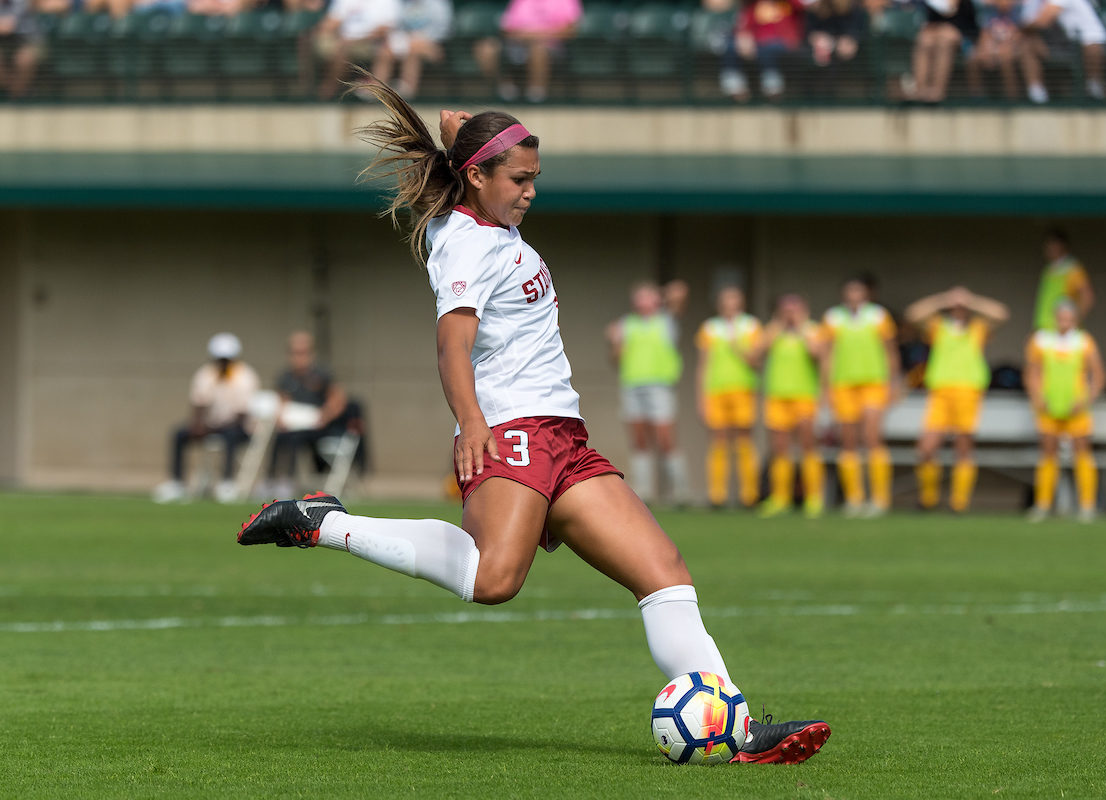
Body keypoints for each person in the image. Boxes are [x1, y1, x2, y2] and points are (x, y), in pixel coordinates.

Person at [237, 89, 831, 763]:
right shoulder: (465, 246)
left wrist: (463, 132)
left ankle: (741, 728)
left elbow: (460, 127)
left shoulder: (477, 212)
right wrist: (469, 425)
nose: (530, 193)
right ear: (477, 177)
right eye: (518, 180)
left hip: (566, 438)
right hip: (511, 429)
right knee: (494, 580)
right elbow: (451, 347)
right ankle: (325, 522)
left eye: (535, 180)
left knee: (663, 570)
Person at [905, 287, 1010, 513]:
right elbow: (913, 314)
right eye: (956, 306)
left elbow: (1001, 314)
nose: (959, 309)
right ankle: (928, 499)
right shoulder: (938, 327)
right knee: (926, 448)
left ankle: (959, 503)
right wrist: (943, 299)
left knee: (963, 447)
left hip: (968, 392)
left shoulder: (977, 328)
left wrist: (972, 300)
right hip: (941, 392)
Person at [605, 280, 690, 505]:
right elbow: (616, 359)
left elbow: (679, 292)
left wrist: (658, 294)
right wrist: (614, 342)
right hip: (632, 385)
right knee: (640, 440)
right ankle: (644, 491)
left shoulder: (666, 321)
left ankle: (681, 492)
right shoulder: (625, 324)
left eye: (647, 297)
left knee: (665, 439)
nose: (642, 301)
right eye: (639, 297)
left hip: (660, 386)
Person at [822, 276, 901, 517]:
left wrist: (894, 381)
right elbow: (827, 354)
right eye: (850, 291)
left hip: (873, 382)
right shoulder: (833, 318)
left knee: (872, 435)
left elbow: (890, 351)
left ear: (867, 294)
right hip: (844, 383)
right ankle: (854, 499)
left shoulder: (878, 316)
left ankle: (879, 499)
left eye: (859, 291)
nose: (854, 295)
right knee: (848, 439)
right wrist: (826, 387)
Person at [154, 333, 260, 504]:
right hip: (211, 425)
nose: (222, 363)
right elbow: (199, 402)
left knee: (230, 435)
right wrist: (197, 424)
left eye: (226, 359)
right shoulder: (206, 374)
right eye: (219, 359)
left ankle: (227, 483)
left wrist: (212, 427)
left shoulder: (245, 376)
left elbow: (241, 414)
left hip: (239, 428)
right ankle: (177, 483)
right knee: (179, 433)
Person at [1023, 300, 1104, 522]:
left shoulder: (1084, 342)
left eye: (1069, 318)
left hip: (1077, 409)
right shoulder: (1041, 340)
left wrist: (1086, 400)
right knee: (1047, 455)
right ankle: (1042, 504)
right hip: (1049, 408)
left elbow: (1097, 376)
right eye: (1061, 317)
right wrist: (1038, 399)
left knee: (1083, 454)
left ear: (1075, 319)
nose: (1065, 322)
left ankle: (1087, 506)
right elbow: (1032, 373)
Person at [755, 294, 825, 518]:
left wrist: (802, 327)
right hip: (777, 395)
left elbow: (817, 353)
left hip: (804, 395)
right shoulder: (774, 332)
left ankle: (814, 497)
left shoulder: (812, 330)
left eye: (795, 309)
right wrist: (776, 325)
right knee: (779, 447)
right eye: (786, 310)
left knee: (807, 445)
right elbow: (755, 354)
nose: (790, 314)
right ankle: (780, 497)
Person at [696, 286, 763, 509]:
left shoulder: (751, 325)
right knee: (719, 441)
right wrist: (701, 396)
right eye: (725, 299)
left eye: (734, 299)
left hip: (743, 388)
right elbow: (703, 365)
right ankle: (717, 496)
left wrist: (738, 346)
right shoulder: (710, 328)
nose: (729, 303)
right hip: (716, 390)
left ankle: (749, 496)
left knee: (744, 440)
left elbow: (756, 361)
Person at [265, 331, 349, 496]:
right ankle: (272, 480)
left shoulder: (322, 374)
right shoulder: (286, 376)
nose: (299, 357)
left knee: (295, 438)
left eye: (303, 352)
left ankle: (289, 480)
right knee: (279, 437)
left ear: (311, 353)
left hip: (319, 427)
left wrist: (325, 415)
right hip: (294, 425)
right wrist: (281, 417)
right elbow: (282, 401)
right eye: (295, 353)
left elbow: (338, 399)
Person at [475, 0, 582, 103]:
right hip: (516, 46)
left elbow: (570, 30)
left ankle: (536, 95)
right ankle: (505, 91)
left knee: (538, 48)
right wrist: (527, 36)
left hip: (553, 48)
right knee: (486, 48)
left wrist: (535, 36)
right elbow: (507, 29)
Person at [1018, 0, 1106, 103]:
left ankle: (1094, 91)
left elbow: (1042, 21)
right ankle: (1037, 96)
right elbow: (1031, 20)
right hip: (1067, 45)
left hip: (1093, 45)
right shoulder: (1035, 2)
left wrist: (1018, 30)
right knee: (1028, 43)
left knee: (1092, 46)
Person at [720, 0, 807, 101]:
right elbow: (744, 25)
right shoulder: (755, 6)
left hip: (784, 42)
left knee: (766, 49)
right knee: (731, 46)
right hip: (759, 43)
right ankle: (736, 89)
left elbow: (802, 6)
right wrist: (744, 36)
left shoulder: (788, 4)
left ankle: (773, 89)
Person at [314, 0, 400, 100]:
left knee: (343, 51)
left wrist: (353, 41)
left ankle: (328, 90)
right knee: (334, 48)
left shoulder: (388, 2)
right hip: (343, 41)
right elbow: (331, 22)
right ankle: (332, 91)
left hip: (371, 43)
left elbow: (383, 31)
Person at [904, 0, 979, 104]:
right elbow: (930, 21)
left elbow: (950, 10)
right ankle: (920, 89)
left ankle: (937, 90)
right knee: (924, 39)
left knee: (945, 38)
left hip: (964, 34)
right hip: (936, 31)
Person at [375, 0, 453, 98]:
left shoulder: (438, 3)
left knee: (413, 51)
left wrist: (421, 38)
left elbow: (443, 29)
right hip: (405, 42)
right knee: (385, 51)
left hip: (433, 45)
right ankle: (376, 89)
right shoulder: (402, 3)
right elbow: (396, 26)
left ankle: (406, 91)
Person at [1032, 228, 1093, 331]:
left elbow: (1087, 297)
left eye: (1051, 244)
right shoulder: (1048, 270)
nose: (1048, 248)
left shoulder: (1073, 269)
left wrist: (1073, 321)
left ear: (1061, 245)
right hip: (1046, 329)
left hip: (1062, 331)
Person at [966, 0, 1024, 100]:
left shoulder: (1019, 12)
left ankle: (1012, 97)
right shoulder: (989, 13)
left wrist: (1005, 48)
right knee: (973, 59)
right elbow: (984, 36)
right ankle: (976, 96)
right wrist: (986, 51)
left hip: (1013, 49)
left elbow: (1019, 36)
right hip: (993, 48)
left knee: (1006, 59)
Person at [0, 0, 43, 99]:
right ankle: (12, 92)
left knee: (25, 60)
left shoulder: (22, 2)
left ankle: (16, 96)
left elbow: (8, 26)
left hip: (27, 41)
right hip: (4, 42)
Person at [807, 0, 866, 68]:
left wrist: (850, 40)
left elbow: (859, 28)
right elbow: (809, 31)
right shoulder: (815, 7)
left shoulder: (853, 7)